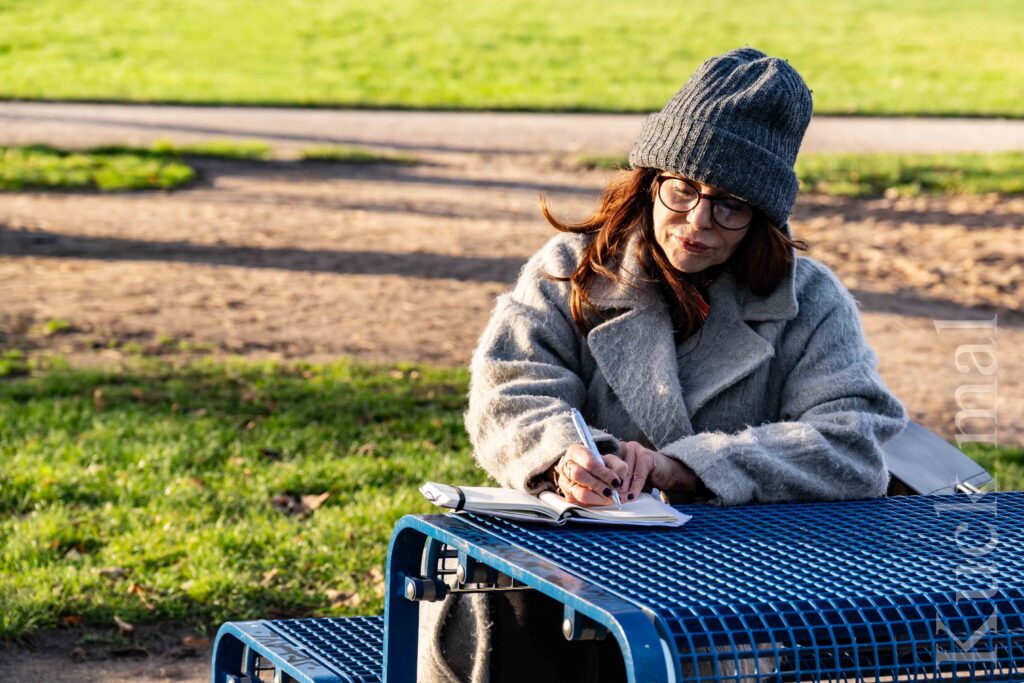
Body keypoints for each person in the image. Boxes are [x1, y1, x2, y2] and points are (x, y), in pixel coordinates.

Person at [420, 47, 908, 683]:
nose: (697, 222)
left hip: (734, 590)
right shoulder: (569, 268)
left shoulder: (809, 299)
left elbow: (852, 441)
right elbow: (509, 391)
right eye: (682, 189)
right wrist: (567, 457)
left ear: (762, 217)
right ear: (651, 179)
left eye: (730, 204)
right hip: (564, 573)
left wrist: (688, 468)